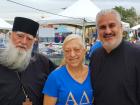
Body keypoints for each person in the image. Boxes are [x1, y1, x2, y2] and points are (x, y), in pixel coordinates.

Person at [0, 17, 57, 105]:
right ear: (10, 35)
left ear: (34, 41)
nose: (23, 42)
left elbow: (60, 78)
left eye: (29, 39)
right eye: (20, 36)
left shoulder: (43, 62)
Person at [89, 9, 140, 105]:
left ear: (121, 27)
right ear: (98, 31)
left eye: (112, 25)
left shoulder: (137, 54)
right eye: (102, 27)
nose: (108, 31)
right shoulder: (95, 56)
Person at [42, 34, 93, 105]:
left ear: (84, 51)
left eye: (77, 50)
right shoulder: (55, 77)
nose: (72, 54)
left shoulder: (93, 73)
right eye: (67, 51)